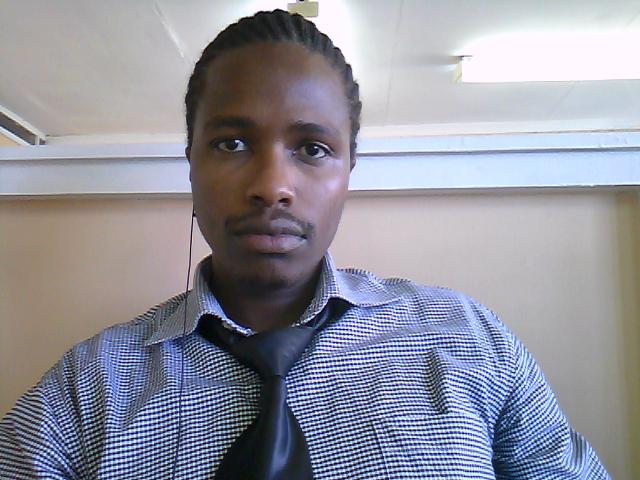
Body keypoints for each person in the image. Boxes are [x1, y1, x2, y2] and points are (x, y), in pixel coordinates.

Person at [0, 9, 609, 480]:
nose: (272, 187)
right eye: (232, 143)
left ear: (349, 170)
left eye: (313, 149)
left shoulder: (469, 338)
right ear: (191, 162)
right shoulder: (81, 392)